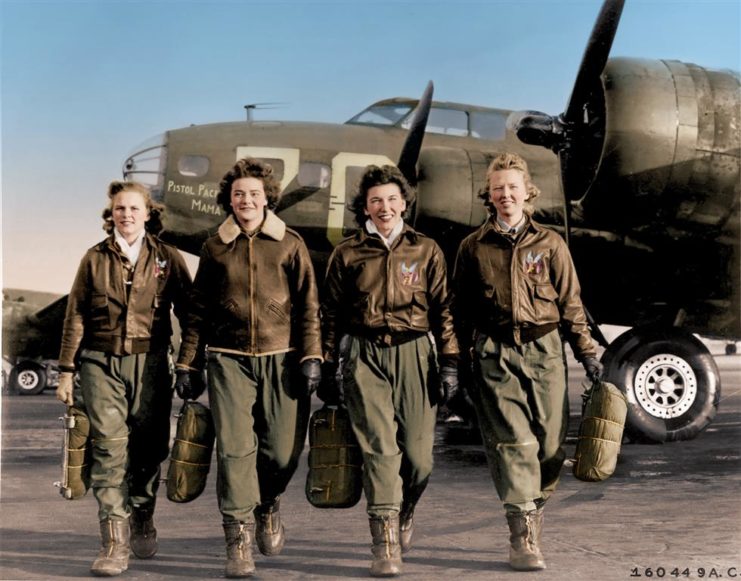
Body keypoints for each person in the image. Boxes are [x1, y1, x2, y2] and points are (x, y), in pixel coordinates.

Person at [452, 152, 603, 571]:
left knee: (551, 448)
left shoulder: (551, 243)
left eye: (512, 187)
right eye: (497, 188)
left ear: (527, 192)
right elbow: (459, 311)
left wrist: (587, 352)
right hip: (495, 354)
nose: (505, 195)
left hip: (546, 352)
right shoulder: (472, 247)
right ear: (489, 195)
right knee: (513, 444)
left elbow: (571, 304)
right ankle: (523, 535)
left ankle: (532, 505)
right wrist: (454, 364)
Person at [175, 157, 322, 579]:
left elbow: (309, 307)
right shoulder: (214, 248)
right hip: (228, 360)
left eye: (254, 193)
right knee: (236, 451)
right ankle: (237, 540)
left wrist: (312, 357)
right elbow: (198, 312)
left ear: (267, 198)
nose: (246, 200)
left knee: (281, 451)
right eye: (239, 194)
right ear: (230, 199)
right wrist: (188, 362)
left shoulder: (290, 244)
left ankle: (268, 503)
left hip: (283, 358)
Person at [320, 164, 459, 577]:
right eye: (375, 200)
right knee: (380, 451)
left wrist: (450, 363)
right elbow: (329, 314)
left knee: (418, 459)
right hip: (365, 356)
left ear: (404, 203)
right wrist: (328, 364)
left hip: (415, 353)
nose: (384, 207)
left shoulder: (426, 250)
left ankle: (406, 507)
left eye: (392, 199)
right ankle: (384, 544)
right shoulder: (347, 253)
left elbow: (444, 311)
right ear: (364, 206)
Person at [56, 180, 192, 576]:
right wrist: (66, 370)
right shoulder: (94, 258)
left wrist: (188, 363)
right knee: (109, 450)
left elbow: (189, 314)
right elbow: (75, 315)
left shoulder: (168, 258)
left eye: (134, 208)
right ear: (111, 214)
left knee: (149, 451)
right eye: (120, 209)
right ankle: (114, 544)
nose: (127, 215)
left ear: (148, 213)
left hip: (151, 363)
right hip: (100, 363)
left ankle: (143, 515)